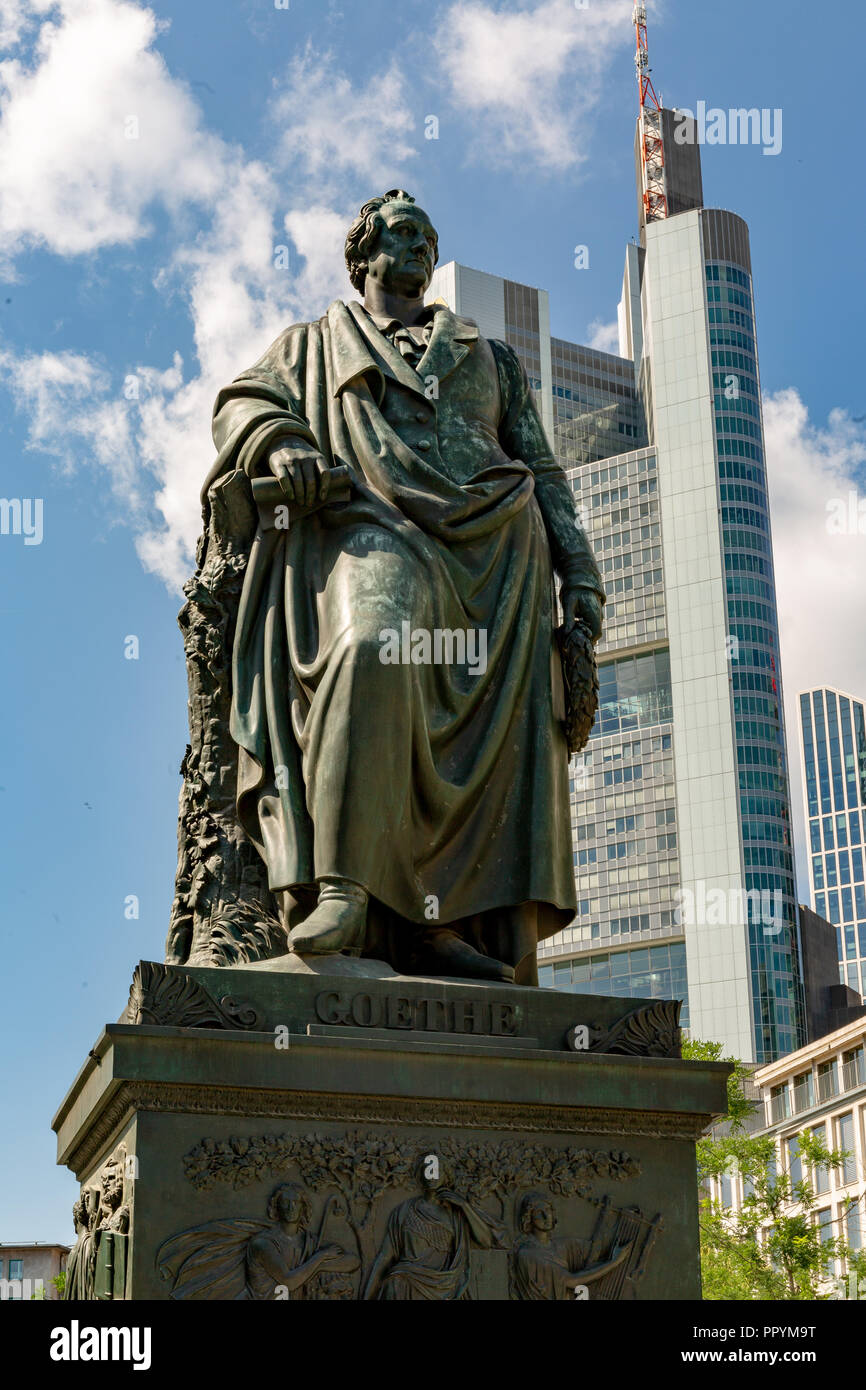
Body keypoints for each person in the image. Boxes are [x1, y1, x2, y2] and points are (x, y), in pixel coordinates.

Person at [204, 189, 604, 982]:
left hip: (497, 558)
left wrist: (581, 582)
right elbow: (241, 405)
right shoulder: (313, 345)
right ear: (362, 256)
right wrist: (281, 444)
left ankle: (438, 921)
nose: (419, 245)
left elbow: (544, 466)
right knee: (373, 648)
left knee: (493, 730)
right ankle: (348, 887)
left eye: (427, 235)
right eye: (400, 233)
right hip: (371, 528)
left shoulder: (489, 356)